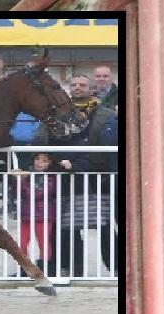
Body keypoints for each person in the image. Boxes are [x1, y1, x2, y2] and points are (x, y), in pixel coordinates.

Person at [34, 74, 118, 277]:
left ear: (91, 89)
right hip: (64, 177)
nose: (78, 88)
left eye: (82, 84)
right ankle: (71, 267)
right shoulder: (53, 114)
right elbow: (40, 139)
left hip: (99, 178)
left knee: (105, 226)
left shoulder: (106, 114)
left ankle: (116, 266)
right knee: (64, 226)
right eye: (74, 85)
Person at [13, 152, 61, 277]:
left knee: (44, 243)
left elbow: (36, 194)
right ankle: (24, 268)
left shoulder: (51, 177)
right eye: (37, 159)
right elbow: (16, 192)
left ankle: (45, 268)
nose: (39, 163)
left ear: (50, 163)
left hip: (44, 216)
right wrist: (17, 179)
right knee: (22, 243)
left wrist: (22, 180)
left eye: (44, 161)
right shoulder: (28, 174)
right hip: (27, 215)